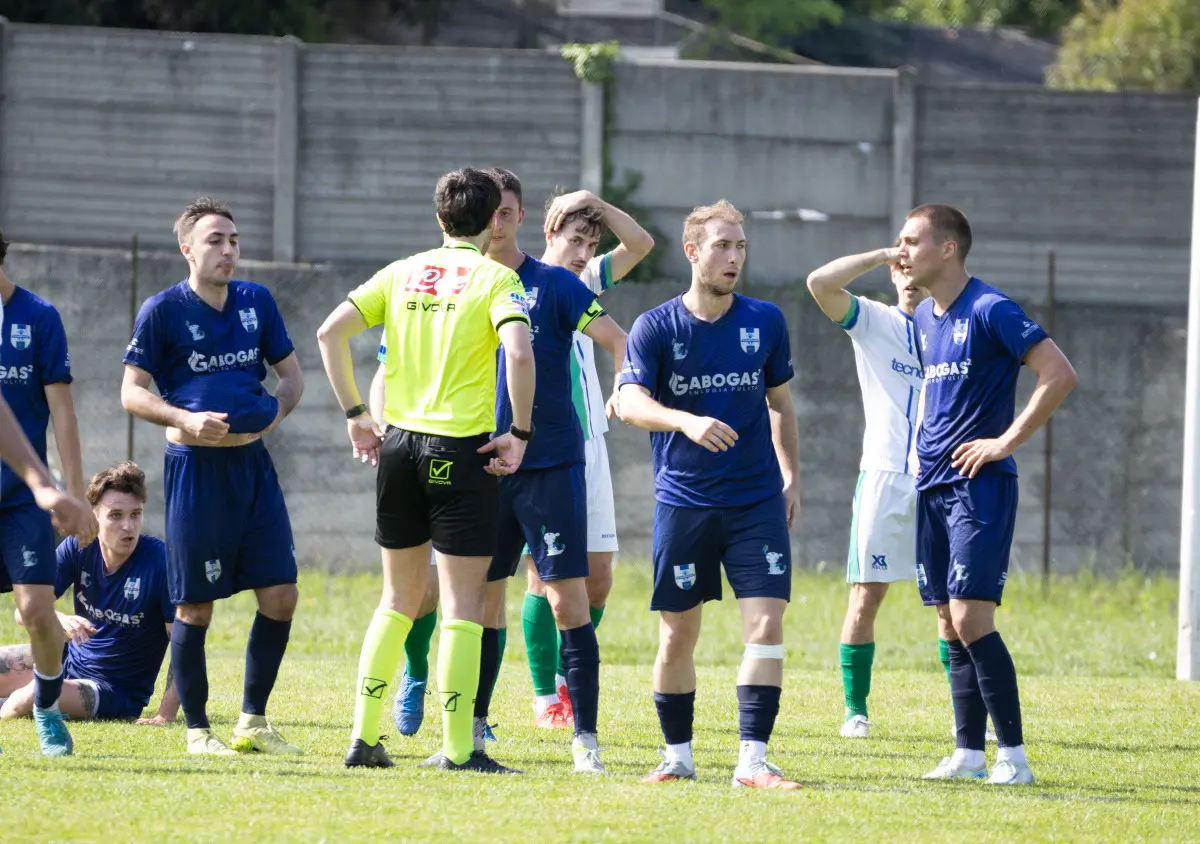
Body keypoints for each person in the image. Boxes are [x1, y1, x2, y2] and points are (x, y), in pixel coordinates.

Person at [316, 167, 535, 773]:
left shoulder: (402, 272)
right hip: (460, 452)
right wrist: (518, 433)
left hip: (398, 447)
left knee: (397, 598)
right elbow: (519, 353)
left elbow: (329, 333)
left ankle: (364, 738)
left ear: (440, 218)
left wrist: (357, 414)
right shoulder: (497, 278)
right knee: (463, 606)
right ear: (493, 221)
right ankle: (459, 750)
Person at [617, 200, 802, 789]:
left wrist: (790, 477)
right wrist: (685, 421)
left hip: (756, 502)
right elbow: (629, 402)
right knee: (677, 635)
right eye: (722, 245)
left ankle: (753, 761)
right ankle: (678, 757)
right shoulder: (655, 327)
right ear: (693, 251)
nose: (734, 257)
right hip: (685, 501)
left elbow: (781, 403)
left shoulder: (766, 321)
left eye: (741, 246)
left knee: (766, 627)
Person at [121, 197, 305, 756]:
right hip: (196, 471)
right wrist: (183, 419)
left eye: (234, 240)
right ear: (187, 249)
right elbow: (131, 392)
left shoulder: (256, 301)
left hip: (253, 468)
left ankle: (253, 722)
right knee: (195, 606)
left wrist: (274, 415)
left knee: (282, 594)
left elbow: (291, 377)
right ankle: (198, 731)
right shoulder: (162, 310)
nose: (229, 249)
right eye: (215, 240)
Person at [902, 204, 1076, 785]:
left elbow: (1059, 374)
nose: (902, 251)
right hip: (932, 485)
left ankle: (1015, 759)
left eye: (912, 240)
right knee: (948, 622)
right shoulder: (924, 317)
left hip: (979, 487)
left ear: (948, 248)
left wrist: (1005, 441)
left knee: (972, 617)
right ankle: (969, 755)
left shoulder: (990, 308)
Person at [471, 170, 628, 774]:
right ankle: (470, 736)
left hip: (551, 463)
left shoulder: (556, 284)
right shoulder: (460, 285)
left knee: (569, 601)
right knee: (480, 604)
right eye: (488, 212)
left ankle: (584, 740)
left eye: (506, 211)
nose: (497, 222)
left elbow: (618, 339)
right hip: (481, 465)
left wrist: (624, 386)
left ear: (521, 217)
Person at [521, 188, 654, 729]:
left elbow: (641, 244)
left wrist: (595, 202)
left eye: (591, 244)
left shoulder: (585, 282)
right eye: (575, 239)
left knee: (598, 578)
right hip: (542, 446)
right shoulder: (521, 282)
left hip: (591, 443)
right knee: (543, 575)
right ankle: (545, 696)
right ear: (549, 232)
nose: (583, 253)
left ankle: (565, 677)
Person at [806, 252, 939, 738]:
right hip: (883, 477)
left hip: (940, 480)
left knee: (953, 605)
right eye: (901, 265)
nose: (909, 275)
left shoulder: (954, 331)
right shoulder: (875, 321)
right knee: (865, 598)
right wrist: (884, 253)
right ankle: (855, 711)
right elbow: (819, 283)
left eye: (917, 263)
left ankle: (968, 715)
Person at [0, 229, 94, 756]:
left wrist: (73, 493)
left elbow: (62, 410)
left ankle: (47, 707)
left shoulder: (38, 317)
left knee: (38, 609)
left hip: (22, 497)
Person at [0, 461, 179, 726]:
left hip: (113, 691)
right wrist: (58, 618)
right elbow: (23, 612)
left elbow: (184, 644)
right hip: (67, 661)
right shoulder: (79, 547)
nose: (128, 526)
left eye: (135, 514)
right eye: (116, 515)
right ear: (94, 516)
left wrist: (165, 714)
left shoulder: (161, 562)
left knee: (26, 698)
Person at [366, 343, 441, 738]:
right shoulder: (407, 308)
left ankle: (474, 717)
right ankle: (417, 670)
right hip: (411, 450)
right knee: (421, 590)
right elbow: (383, 376)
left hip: (468, 446)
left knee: (476, 595)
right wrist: (384, 432)